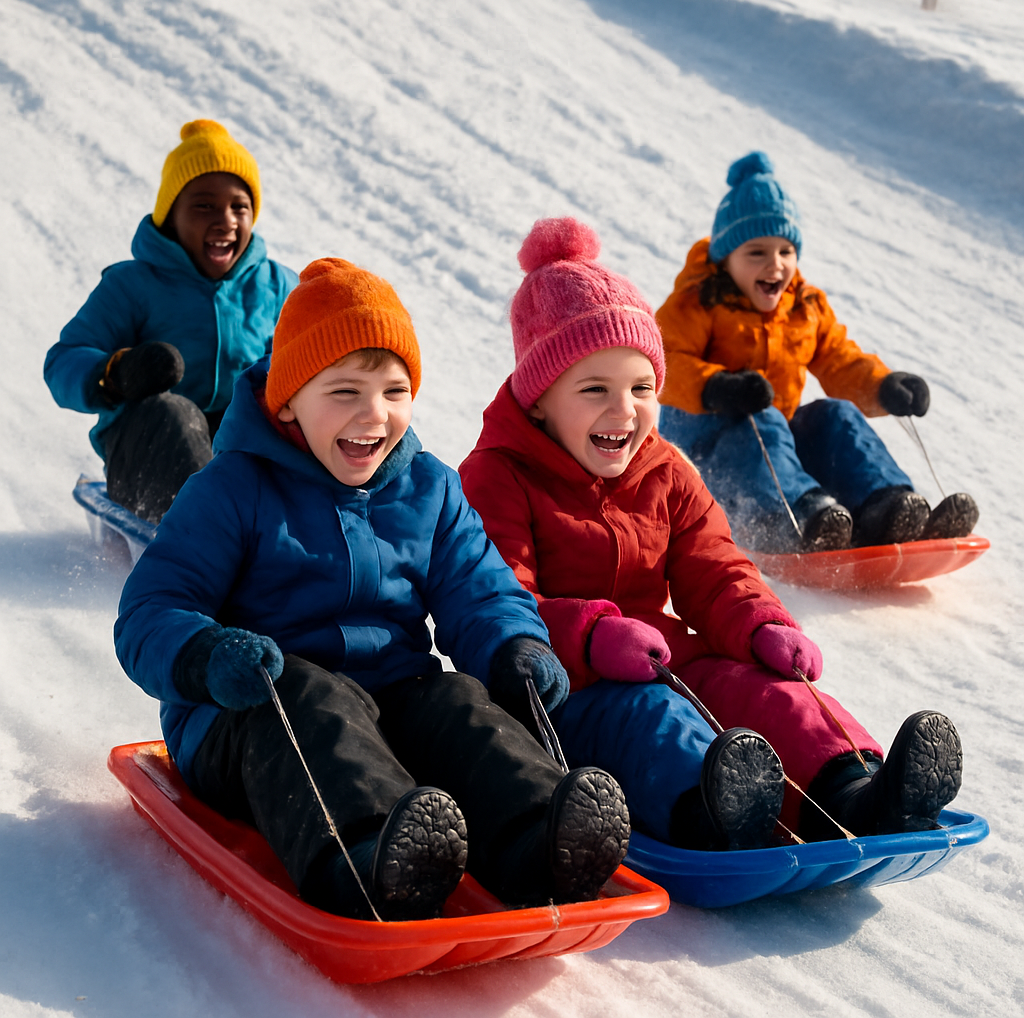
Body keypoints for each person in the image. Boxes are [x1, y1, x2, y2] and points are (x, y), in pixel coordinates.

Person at [114, 257, 631, 921]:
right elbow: (151, 609)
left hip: (386, 706)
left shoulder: (430, 489)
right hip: (250, 722)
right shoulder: (232, 489)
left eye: (393, 391)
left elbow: (481, 590)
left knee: (453, 699)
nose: (373, 416)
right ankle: (368, 859)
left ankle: (540, 840)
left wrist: (514, 645)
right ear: (290, 398)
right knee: (312, 694)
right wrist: (209, 655)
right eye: (345, 392)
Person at [459, 217, 964, 847]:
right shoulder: (496, 477)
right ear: (538, 400)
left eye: (642, 388)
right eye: (595, 390)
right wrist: (589, 637)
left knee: (763, 689)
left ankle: (857, 790)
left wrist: (761, 624)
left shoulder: (664, 468)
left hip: (662, 657)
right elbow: (498, 600)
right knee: (656, 717)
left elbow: (714, 565)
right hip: (564, 694)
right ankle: (718, 811)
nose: (624, 410)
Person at [655, 151, 978, 553]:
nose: (774, 264)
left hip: (777, 451)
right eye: (756, 252)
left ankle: (885, 503)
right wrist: (717, 386)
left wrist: (883, 386)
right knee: (766, 420)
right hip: (711, 456)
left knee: (834, 415)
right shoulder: (698, 301)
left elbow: (839, 359)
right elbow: (662, 362)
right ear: (727, 259)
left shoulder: (804, 306)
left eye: (785, 252)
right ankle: (799, 517)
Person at [45, 120, 298, 523]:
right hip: (149, 456)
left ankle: (303, 534)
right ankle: (203, 536)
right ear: (170, 216)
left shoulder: (278, 287)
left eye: (240, 206)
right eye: (204, 206)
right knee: (174, 415)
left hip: (240, 457)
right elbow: (62, 362)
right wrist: (115, 373)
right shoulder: (133, 285)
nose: (226, 219)